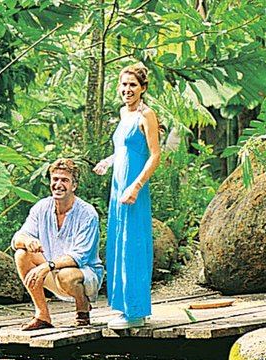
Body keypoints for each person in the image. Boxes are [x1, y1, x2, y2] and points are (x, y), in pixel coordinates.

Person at [94, 62, 162, 329]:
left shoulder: (147, 115)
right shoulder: (124, 113)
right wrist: (107, 162)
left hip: (134, 189)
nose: (127, 89)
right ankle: (124, 307)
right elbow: (125, 148)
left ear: (143, 88)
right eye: (124, 84)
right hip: (117, 189)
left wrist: (136, 185)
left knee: (133, 245)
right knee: (119, 244)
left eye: (133, 85)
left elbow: (154, 155)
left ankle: (136, 311)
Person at [11, 158, 105, 331]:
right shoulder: (41, 207)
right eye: (55, 179)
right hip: (51, 269)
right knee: (22, 254)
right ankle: (42, 315)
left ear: (74, 186)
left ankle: (82, 306)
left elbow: (80, 257)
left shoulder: (87, 213)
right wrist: (28, 240)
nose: (58, 184)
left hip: (83, 274)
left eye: (64, 180)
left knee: (66, 275)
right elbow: (17, 239)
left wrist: (48, 265)